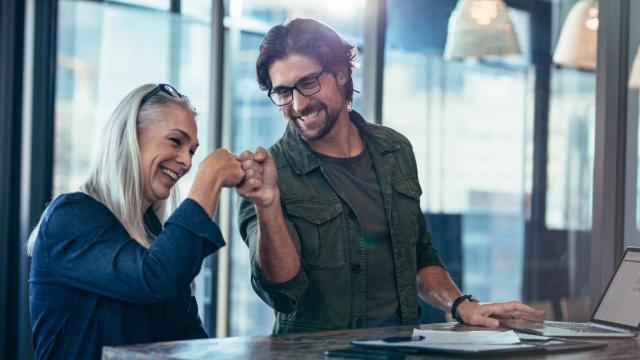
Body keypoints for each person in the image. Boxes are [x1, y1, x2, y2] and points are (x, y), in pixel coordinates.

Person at [236, 18, 545, 334]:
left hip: (400, 349)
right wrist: (268, 206)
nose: (298, 104)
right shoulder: (267, 177)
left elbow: (418, 253)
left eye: (308, 83)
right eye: (284, 92)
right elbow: (281, 293)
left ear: (341, 74)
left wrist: (460, 304)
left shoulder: (395, 150)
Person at [27, 84, 244, 359]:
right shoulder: (69, 217)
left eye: (191, 151)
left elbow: (191, 341)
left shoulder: (156, 237)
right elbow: (155, 278)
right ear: (130, 137)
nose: (187, 162)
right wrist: (209, 180)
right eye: (176, 141)